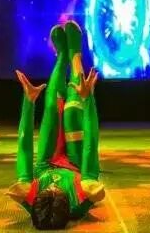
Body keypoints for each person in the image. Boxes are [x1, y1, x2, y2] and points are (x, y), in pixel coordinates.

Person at [7, 21, 104, 230]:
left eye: (46, 190)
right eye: (56, 191)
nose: (52, 186)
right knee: (71, 113)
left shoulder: (29, 195)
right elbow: (91, 148)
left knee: (51, 107)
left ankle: (61, 56)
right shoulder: (81, 198)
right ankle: (75, 55)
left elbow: (24, 148)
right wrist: (88, 99)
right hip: (78, 164)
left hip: (46, 164)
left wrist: (29, 102)